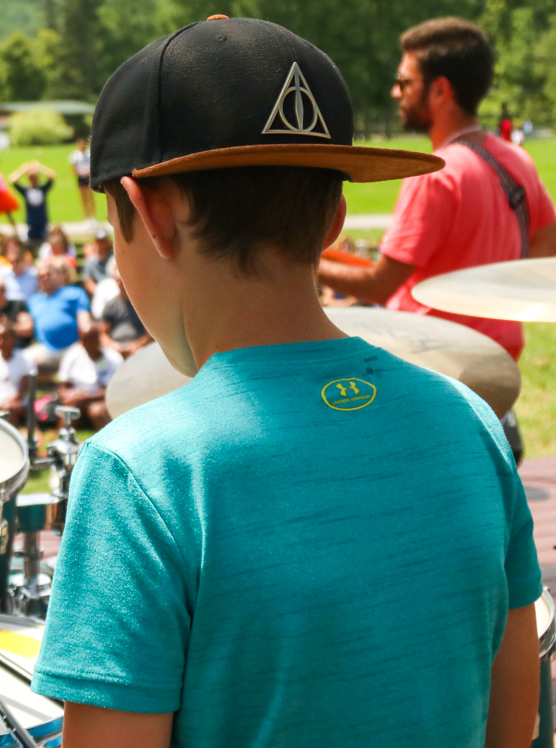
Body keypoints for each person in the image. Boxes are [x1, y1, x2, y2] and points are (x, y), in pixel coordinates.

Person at [33, 17, 539, 748]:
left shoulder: (140, 473)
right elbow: (512, 726)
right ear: (334, 217)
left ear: (150, 210)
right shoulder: (471, 425)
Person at [316, 17, 556, 458]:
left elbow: (380, 286)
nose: (396, 92)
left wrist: (306, 261)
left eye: (404, 82)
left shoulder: (435, 175)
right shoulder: (516, 160)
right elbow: (545, 245)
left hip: (431, 375)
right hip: (496, 373)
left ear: (440, 90)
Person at [16, 256, 90, 366]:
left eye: (48, 274)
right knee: (22, 359)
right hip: (45, 349)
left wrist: (84, 342)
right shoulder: (34, 300)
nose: (45, 278)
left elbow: (85, 322)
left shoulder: (74, 293)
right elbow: (27, 326)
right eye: (41, 276)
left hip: (73, 348)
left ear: (60, 275)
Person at [55, 326, 122, 428]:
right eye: (86, 340)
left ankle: (111, 438)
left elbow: (111, 391)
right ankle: (63, 439)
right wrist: (69, 396)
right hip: (77, 400)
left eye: (92, 340)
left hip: (102, 401)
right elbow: (63, 387)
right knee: (69, 408)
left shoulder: (113, 358)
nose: (89, 344)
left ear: (99, 339)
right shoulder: (73, 355)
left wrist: (85, 397)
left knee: (97, 410)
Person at [100, 264, 151, 358]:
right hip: (115, 350)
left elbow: (150, 334)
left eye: (123, 280)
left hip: (139, 349)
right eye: (118, 281)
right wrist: (115, 347)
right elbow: (103, 334)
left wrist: (136, 345)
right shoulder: (110, 306)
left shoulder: (142, 305)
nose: (121, 284)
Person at [9, 161, 56, 246]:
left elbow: (53, 176)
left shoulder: (42, 189)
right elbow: (12, 180)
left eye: (35, 177)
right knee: (31, 243)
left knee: (45, 242)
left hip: (42, 220)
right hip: (31, 221)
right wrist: (23, 171)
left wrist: (41, 168)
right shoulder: (26, 191)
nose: (33, 180)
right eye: (31, 178)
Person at [70, 137, 95, 226]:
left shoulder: (89, 154)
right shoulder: (75, 156)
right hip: (81, 178)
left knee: (91, 198)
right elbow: (73, 169)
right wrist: (81, 173)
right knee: (83, 199)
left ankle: (93, 217)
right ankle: (86, 218)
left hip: (89, 177)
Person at [82, 228, 113, 296]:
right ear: (95, 243)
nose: (101, 244)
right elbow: (89, 283)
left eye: (103, 241)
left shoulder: (115, 260)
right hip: (98, 295)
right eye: (99, 241)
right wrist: (101, 294)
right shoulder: (90, 263)